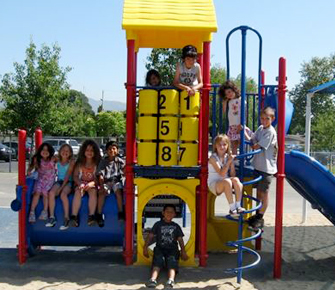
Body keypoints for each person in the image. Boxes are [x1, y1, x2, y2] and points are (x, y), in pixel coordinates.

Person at [246, 107, 277, 230]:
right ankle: (257, 215)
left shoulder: (270, 132)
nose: (264, 121)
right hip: (258, 166)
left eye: (267, 119)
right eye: (262, 118)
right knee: (258, 193)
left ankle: (260, 217)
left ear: (272, 119)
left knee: (264, 193)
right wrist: (245, 131)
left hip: (266, 169)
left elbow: (256, 146)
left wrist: (253, 142)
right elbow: (252, 138)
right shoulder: (260, 128)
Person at [144, 204, 188, 289]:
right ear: (163, 213)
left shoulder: (176, 226)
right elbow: (150, 236)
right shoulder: (158, 224)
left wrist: (183, 251)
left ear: (174, 214)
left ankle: (171, 280)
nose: (169, 214)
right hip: (160, 248)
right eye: (167, 212)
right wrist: (145, 247)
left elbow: (180, 240)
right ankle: (153, 279)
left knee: (172, 263)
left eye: (172, 212)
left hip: (172, 249)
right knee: (157, 261)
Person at [208, 134, 245, 216]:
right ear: (215, 146)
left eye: (224, 144)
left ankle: (238, 206)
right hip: (214, 184)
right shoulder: (213, 158)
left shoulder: (227, 156)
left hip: (224, 181)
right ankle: (232, 209)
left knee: (236, 180)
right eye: (219, 145)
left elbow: (232, 174)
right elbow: (221, 173)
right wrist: (228, 162)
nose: (222, 147)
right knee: (227, 181)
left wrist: (231, 163)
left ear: (228, 146)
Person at [69, 139, 101, 227]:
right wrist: (80, 183)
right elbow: (75, 176)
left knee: (93, 192)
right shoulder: (79, 163)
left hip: (92, 184)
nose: (89, 152)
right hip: (81, 184)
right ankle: (74, 216)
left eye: (91, 150)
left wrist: (92, 184)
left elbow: (99, 178)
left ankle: (91, 216)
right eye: (87, 150)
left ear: (95, 152)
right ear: (83, 151)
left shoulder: (96, 163)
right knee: (78, 192)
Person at [45, 144, 75, 229]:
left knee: (63, 195)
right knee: (51, 193)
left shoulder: (71, 162)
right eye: (63, 150)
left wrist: (61, 189)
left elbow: (67, 176)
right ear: (60, 151)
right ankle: (52, 217)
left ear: (70, 153)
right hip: (59, 181)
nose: (65, 152)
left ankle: (66, 218)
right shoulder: (57, 160)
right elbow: (48, 161)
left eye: (67, 151)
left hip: (68, 182)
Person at [96, 141, 125, 227]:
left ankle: (121, 212)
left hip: (116, 181)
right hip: (106, 182)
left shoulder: (120, 161)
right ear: (106, 151)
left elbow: (125, 171)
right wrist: (101, 186)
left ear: (117, 150)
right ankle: (99, 214)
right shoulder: (103, 162)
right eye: (109, 149)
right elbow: (100, 175)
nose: (111, 150)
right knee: (102, 193)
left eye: (114, 148)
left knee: (118, 192)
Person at [28, 142, 56, 223]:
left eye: (47, 150)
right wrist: (29, 171)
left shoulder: (53, 159)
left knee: (45, 193)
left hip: (50, 179)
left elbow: (62, 160)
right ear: (40, 151)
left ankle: (45, 211)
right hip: (40, 178)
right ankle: (32, 211)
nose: (45, 151)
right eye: (43, 149)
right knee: (37, 192)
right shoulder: (37, 159)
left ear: (50, 152)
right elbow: (31, 167)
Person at [218, 80, 243, 155]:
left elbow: (244, 112)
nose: (229, 95)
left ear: (234, 89)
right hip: (232, 125)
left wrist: (241, 123)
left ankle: (242, 158)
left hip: (239, 124)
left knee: (241, 142)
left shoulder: (240, 100)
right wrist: (224, 103)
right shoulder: (229, 101)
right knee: (233, 144)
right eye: (226, 94)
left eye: (229, 92)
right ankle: (235, 159)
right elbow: (224, 111)